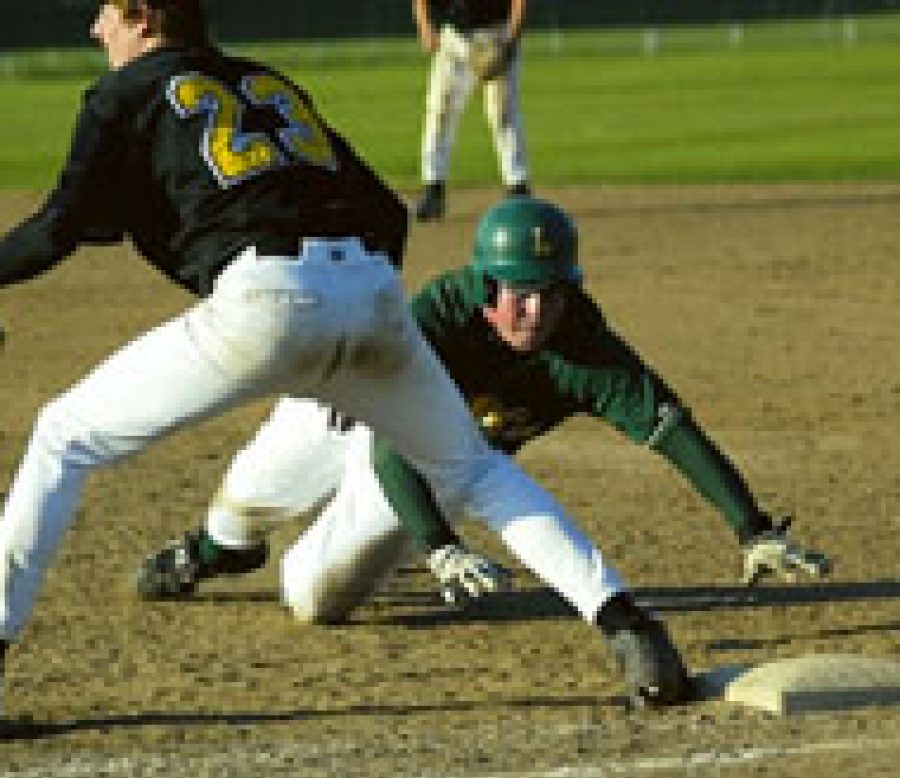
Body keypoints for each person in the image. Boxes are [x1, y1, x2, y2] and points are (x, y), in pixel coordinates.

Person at [0, 2, 691, 721]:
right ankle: (630, 629)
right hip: (371, 294)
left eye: (106, 13)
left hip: (262, 300)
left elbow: (58, 229)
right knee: (475, 468)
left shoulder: (122, 92)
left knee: (62, 436)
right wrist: (353, 337)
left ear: (143, 18)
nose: (93, 29)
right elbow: (387, 215)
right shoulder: (265, 82)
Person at [136, 200, 829, 669]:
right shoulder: (438, 320)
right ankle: (209, 553)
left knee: (316, 599)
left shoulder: (582, 348)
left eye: (552, 291)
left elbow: (673, 431)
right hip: (343, 411)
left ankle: (388, 546)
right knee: (247, 506)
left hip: (421, 461)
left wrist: (752, 527)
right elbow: (384, 429)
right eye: (519, 291)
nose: (537, 308)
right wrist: (440, 545)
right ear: (485, 286)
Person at [412, 0, 530, 222]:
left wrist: (512, 40)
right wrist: (425, 29)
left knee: (502, 112)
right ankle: (433, 189)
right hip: (455, 39)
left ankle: (518, 189)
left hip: (497, 35)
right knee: (439, 111)